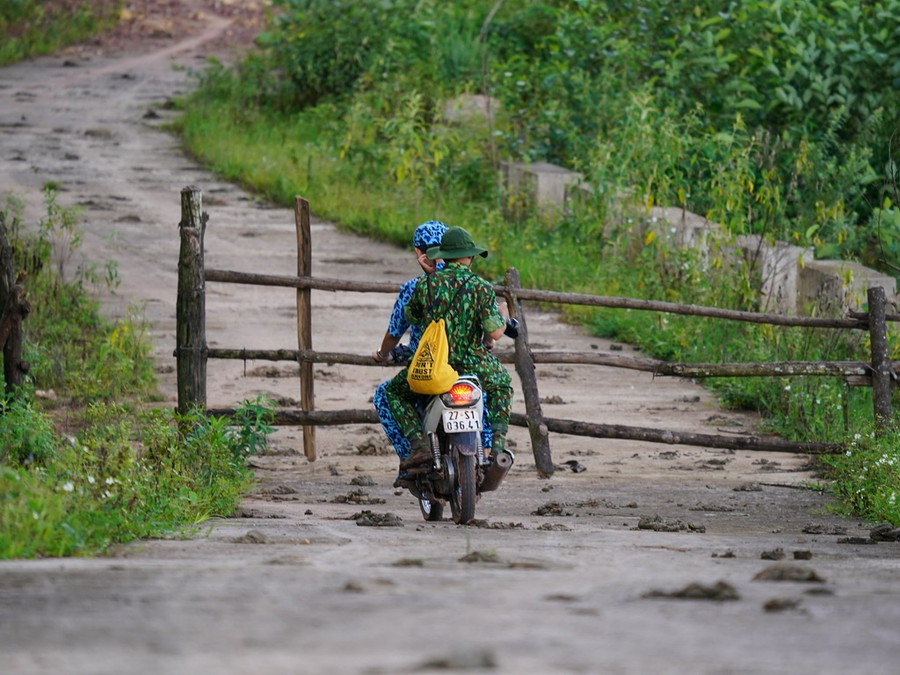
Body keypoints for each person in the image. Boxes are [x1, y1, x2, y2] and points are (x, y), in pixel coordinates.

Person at [383, 226, 512, 470]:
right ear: (470, 256)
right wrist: (503, 316)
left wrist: (431, 277)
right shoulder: (481, 287)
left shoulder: (426, 285)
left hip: (434, 365)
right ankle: (496, 449)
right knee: (502, 386)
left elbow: (411, 316)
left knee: (394, 393)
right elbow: (494, 333)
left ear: (443, 255)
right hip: (474, 364)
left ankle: (419, 445)